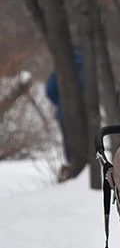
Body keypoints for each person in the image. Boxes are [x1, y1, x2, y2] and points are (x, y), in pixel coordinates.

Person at [45, 46, 84, 182]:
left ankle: (72, 170)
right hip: (87, 114)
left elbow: (50, 90)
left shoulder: (61, 67)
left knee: (70, 144)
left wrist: (60, 102)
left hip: (65, 114)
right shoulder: (89, 66)